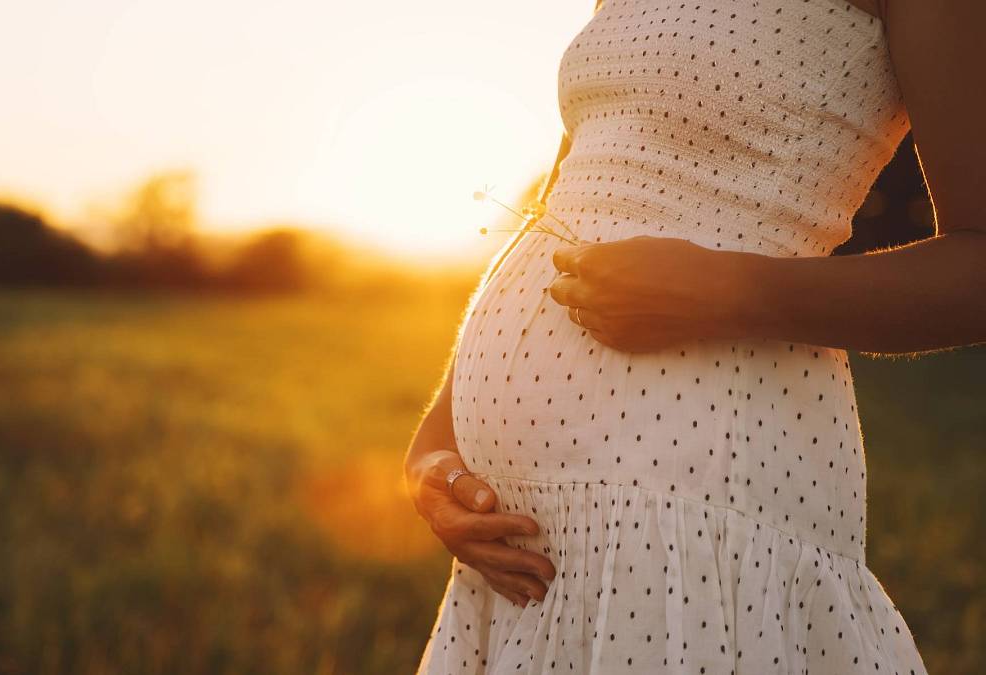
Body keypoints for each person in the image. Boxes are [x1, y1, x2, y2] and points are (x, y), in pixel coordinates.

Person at [404, 0, 985, 672]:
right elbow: (572, 196)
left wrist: (725, 291)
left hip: (698, 504)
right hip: (524, 540)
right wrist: (436, 443)